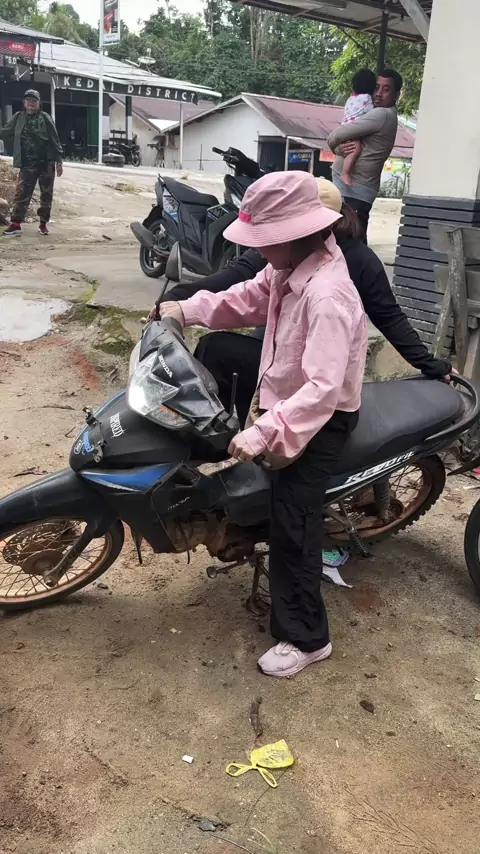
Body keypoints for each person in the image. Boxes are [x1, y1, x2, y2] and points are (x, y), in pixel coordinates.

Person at [160, 170, 368, 678]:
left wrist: (260, 432)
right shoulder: (287, 272)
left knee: (294, 525)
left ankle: (308, 638)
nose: (257, 249)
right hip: (285, 402)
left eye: (265, 239)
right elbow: (243, 299)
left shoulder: (328, 296)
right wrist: (186, 309)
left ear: (295, 236)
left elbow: (321, 390)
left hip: (320, 418)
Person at [155, 180, 451, 428]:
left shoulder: (328, 285)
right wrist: (182, 303)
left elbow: (325, 385)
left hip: (313, 381)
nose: (258, 248)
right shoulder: (283, 260)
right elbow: (242, 288)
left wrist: (430, 365)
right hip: (279, 356)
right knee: (216, 349)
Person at [327, 69, 403, 236]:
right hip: (352, 189)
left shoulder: (381, 114)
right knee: (348, 239)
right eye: (376, 87)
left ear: (396, 95)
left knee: (350, 240)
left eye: (386, 89)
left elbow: (336, 135)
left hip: (355, 190)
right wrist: (339, 149)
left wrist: (334, 146)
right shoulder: (375, 111)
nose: (379, 93)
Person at [0, 89, 63, 237]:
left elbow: (55, 139)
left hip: (46, 162)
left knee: (46, 194)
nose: (31, 102)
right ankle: (16, 225)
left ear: (39, 103)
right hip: (27, 163)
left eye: (34, 100)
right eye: (28, 100)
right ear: (24, 102)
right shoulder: (19, 117)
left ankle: (43, 224)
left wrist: (59, 160)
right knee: (22, 193)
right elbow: (6, 131)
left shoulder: (45, 118)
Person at [340, 68, 377, 187]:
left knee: (349, 150)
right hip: (354, 129)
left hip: (345, 126)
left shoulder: (351, 98)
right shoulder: (367, 98)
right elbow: (371, 112)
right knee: (355, 149)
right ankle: (345, 172)